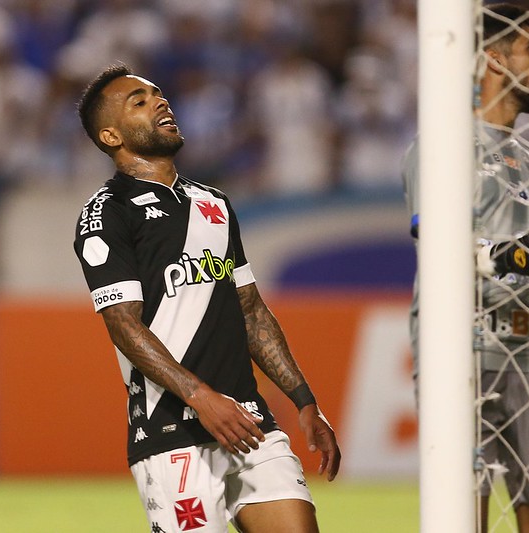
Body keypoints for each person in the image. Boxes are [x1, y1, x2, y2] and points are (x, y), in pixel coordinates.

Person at [73, 64, 340, 533]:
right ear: (111, 135)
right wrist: (201, 397)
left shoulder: (213, 202)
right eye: (140, 101)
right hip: (172, 427)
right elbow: (123, 324)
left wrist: (302, 398)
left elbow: (251, 309)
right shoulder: (106, 213)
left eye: (159, 95)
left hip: (249, 420)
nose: (160, 102)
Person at [403, 4, 529, 532]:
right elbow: (435, 241)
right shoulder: (440, 146)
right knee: (464, 515)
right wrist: (506, 255)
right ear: (495, 61)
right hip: (463, 352)